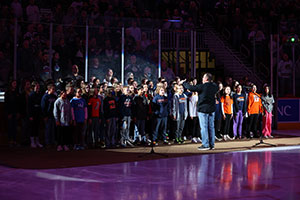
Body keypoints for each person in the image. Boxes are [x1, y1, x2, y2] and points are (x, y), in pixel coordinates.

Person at [183, 73, 218, 150]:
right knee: (211, 127)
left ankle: (205, 144)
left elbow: (190, 88)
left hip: (203, 109)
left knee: (204, 127)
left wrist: (183, 83)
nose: (202, 79)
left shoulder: (202, 86)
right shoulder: (215, 86)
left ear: (206, 79)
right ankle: (211, 144)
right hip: (212, 109)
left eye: (203, 78)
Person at [28, 81, 43, 148]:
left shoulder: (39, 94)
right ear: (33, 87)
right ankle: (32, 142)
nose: (37, 88)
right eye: (36, 87)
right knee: (32, 128)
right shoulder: (31, 95)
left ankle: (37, 142)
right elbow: (29, 106)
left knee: (37, 128)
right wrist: (30, 115)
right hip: (33, 114)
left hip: (38, 114)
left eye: (38, 87)